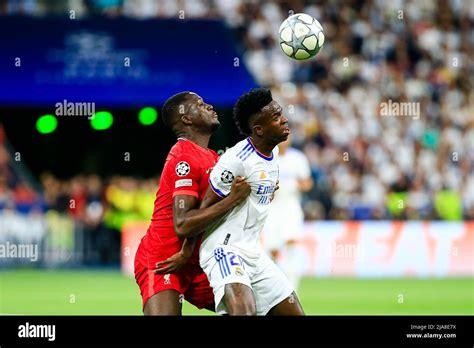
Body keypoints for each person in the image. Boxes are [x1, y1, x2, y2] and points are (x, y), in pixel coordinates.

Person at [178, 88, 305, 316]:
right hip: (224, 250)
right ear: (259, 130)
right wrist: (187, 251)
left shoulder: (272, 154)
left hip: (254, 252)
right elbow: (204, 207)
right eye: (276, 118)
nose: (285, 119)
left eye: (281, 113)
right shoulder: (235, 161)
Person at [134, 91, 250, 315]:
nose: (209, 106)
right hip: (164, 259)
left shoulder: (213, 158)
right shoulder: (183, 158)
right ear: (185, 118)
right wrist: (233, 198)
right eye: (200, 104)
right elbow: (183, 224)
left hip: (198, 261)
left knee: (252, 307)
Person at [262, 135, 313, 292]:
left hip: (290, 206)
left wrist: (297, 184)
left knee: (291, 243)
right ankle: (275, 289)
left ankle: (292, 289)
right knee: (272, 250)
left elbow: (307, 183)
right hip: (271, 208)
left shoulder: (297, 158)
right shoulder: (266, 158)